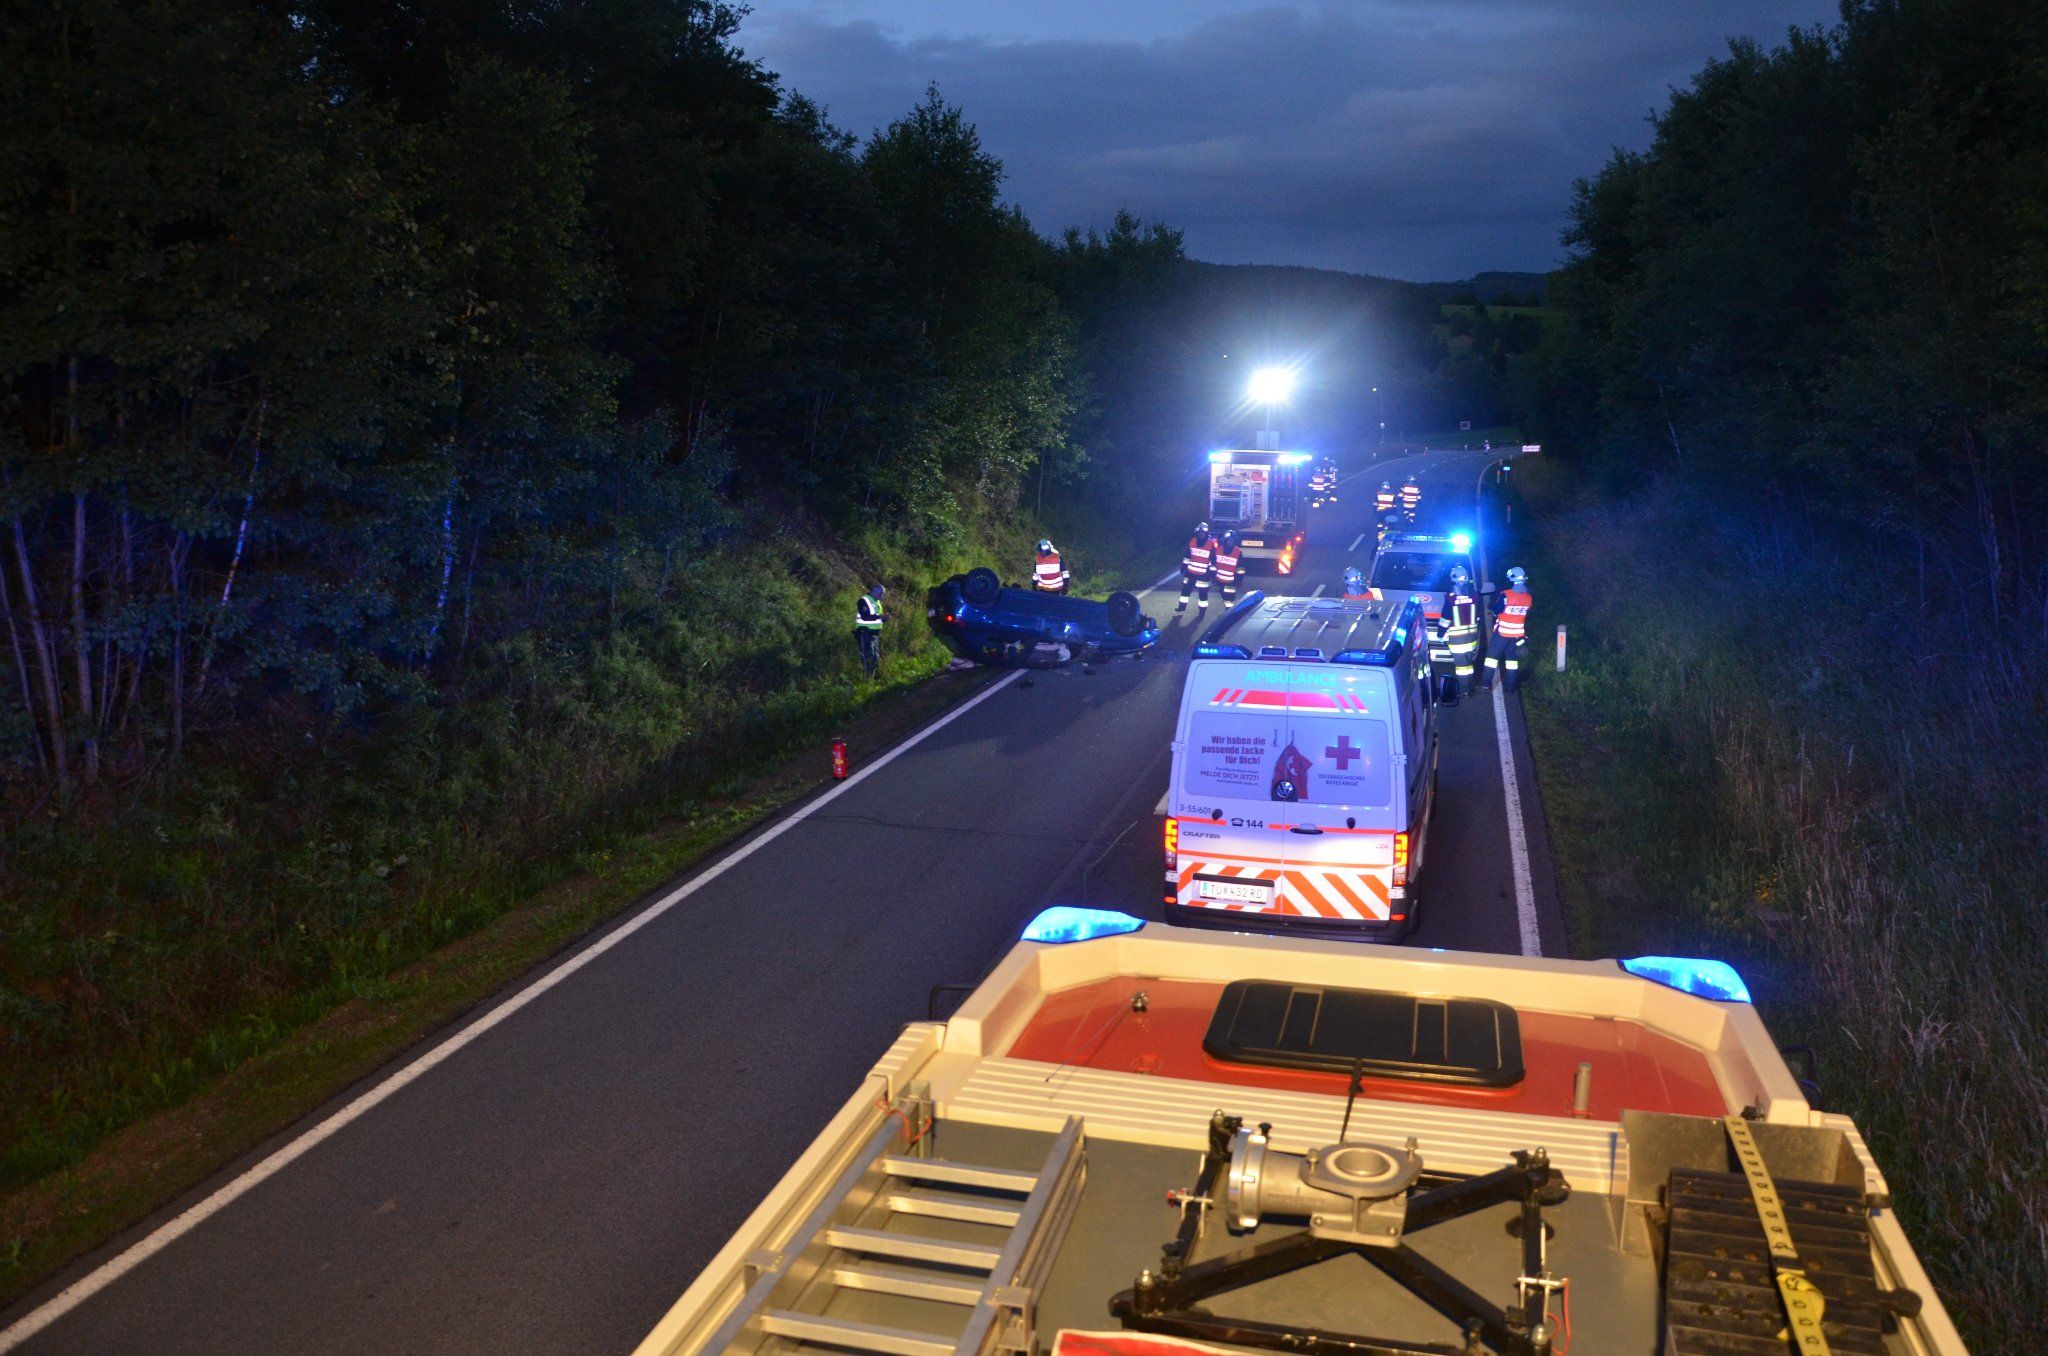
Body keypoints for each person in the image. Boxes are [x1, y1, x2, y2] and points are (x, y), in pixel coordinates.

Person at [1480, 566, 1531, 692]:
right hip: (1518, 635)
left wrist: (1491, 607)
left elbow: (1496, 611)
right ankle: (1510, 688)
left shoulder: (1506, 595)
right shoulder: (1528, 597)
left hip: (1502, 633)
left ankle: (1486, 684)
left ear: (1512, 578)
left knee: (1491, 658)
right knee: (1512, 661)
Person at [1443, 565, 1480, 700]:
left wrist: (1441, 634)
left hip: (1458, 640)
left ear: (1453, 578)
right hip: (1472, 638)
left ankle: (1464, 691)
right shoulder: (1474, 596)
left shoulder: (1451, 598)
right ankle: (1470, 688)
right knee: (1469, 664)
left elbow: (1445, 618)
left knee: (1461, 667)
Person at [1176, 521, 1216, 613]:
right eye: (1200, 532)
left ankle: (1202, 611)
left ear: (1206, 533)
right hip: (1191, 572)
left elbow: (1213, 561)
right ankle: (1181, 607)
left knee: (1203, 594)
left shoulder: (1211, 544)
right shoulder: (1192, 541)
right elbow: (1187, 556)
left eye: (1203, 533)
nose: (1201, 534)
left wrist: (1213, 575)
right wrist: (1183, 567)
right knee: (1185, 591)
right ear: (1197, 532)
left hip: (1204, 574)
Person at [854, 583, 885, 675]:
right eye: (881, 594)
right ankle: (868, 679)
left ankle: (875, 677)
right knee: (868, 657)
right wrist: (880, 617)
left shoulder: (877, 602)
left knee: (875, 656)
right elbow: (865, 617)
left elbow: (876, 618)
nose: (882, 596)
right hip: (865, 633)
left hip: (874, 634)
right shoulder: (863, 601)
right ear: (874, 592)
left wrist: (883, 618)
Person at [1213, 530, 1242, 602]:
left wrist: (1239, 580)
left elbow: (1240, 568)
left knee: (1230, 599)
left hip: (1232, 581)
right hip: (1220, 580)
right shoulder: (1218, 550)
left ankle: (1229, 612)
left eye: (1232, 540)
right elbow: (1214, 564)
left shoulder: (1237, 552)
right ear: (1225, 541)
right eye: (1229, 540)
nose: (1231, 542)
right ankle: (1228, 611)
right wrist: (1213, 577)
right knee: (1224, 598)